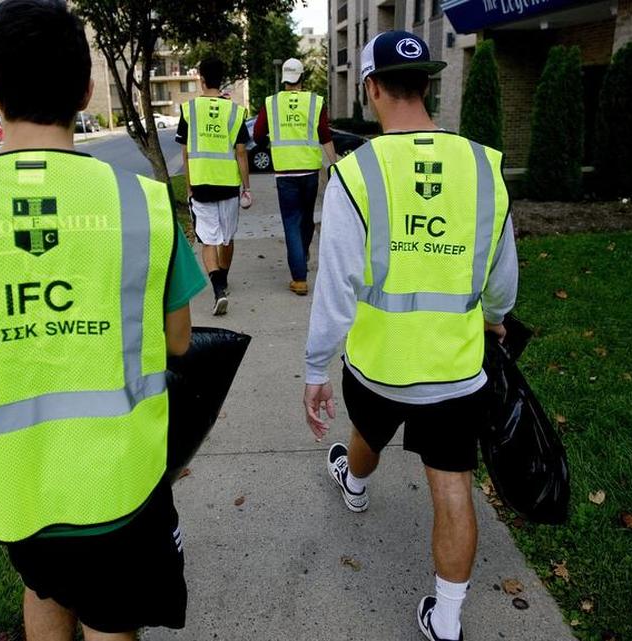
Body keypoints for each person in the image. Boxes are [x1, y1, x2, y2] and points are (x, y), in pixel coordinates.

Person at [0, 2, 206, 639]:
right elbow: (178, 338)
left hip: (14, 488)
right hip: (121, 481)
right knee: (112, 619)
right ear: (84, 89)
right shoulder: (143, 206)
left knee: (44, 585)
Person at [302, 31, 518, 641]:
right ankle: (446, 619)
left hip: (378, 364)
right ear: (427, 83)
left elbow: (336, 283)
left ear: (370, 87)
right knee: (452, 486)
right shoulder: (483, 166)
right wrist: (497, 317)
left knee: (368, 429)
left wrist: (316, 367)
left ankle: (358, 482)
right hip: (454, 370)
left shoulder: (357, 171)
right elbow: (502, 279)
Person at [252, 57, 337, 296]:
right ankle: (303, 252)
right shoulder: (315, 102)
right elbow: (325, 136)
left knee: (291, 222)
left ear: (284, 78)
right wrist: (335, 166)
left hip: (285, 173)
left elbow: (258, 135)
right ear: (302, 77)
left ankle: (299, 279)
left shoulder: (271, 103)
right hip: (309, 172)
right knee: (307, 218)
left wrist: (269, 142)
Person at [177, 57, 251, 316]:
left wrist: (188, 186)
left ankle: (218, 288)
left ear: (201, 79)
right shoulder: (235, 111)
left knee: (208, 241)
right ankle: (224, 279)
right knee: (227, 238)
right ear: (222, 80)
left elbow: (185, 153)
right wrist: (246, 187)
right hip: (228, 186)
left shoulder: (190, 110)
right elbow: (241, 152)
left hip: (201, 186)